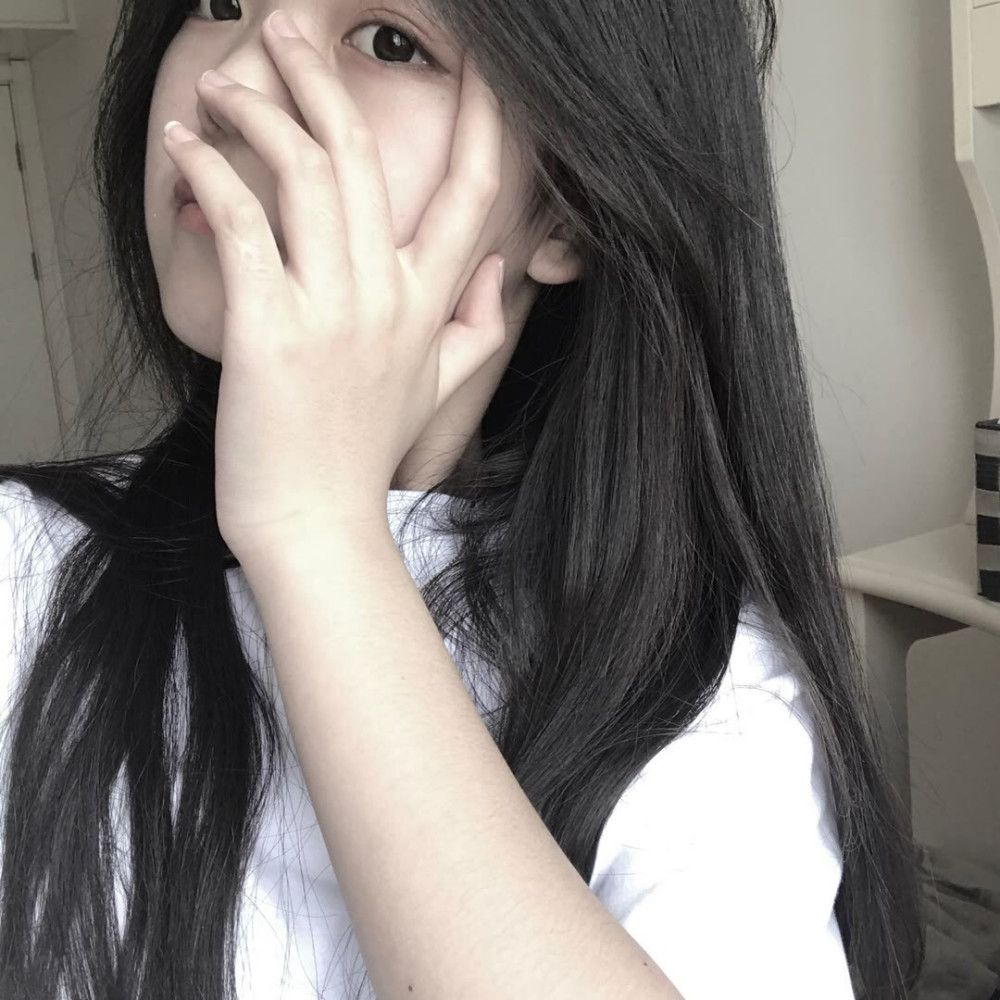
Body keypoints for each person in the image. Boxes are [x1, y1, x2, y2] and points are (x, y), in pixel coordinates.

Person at [0, 1, 925, 998]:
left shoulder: (703, 686)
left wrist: (318, 533)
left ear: (566, 208)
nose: (234, 85)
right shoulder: (24, 564)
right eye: (220, 1)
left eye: (389, 42)